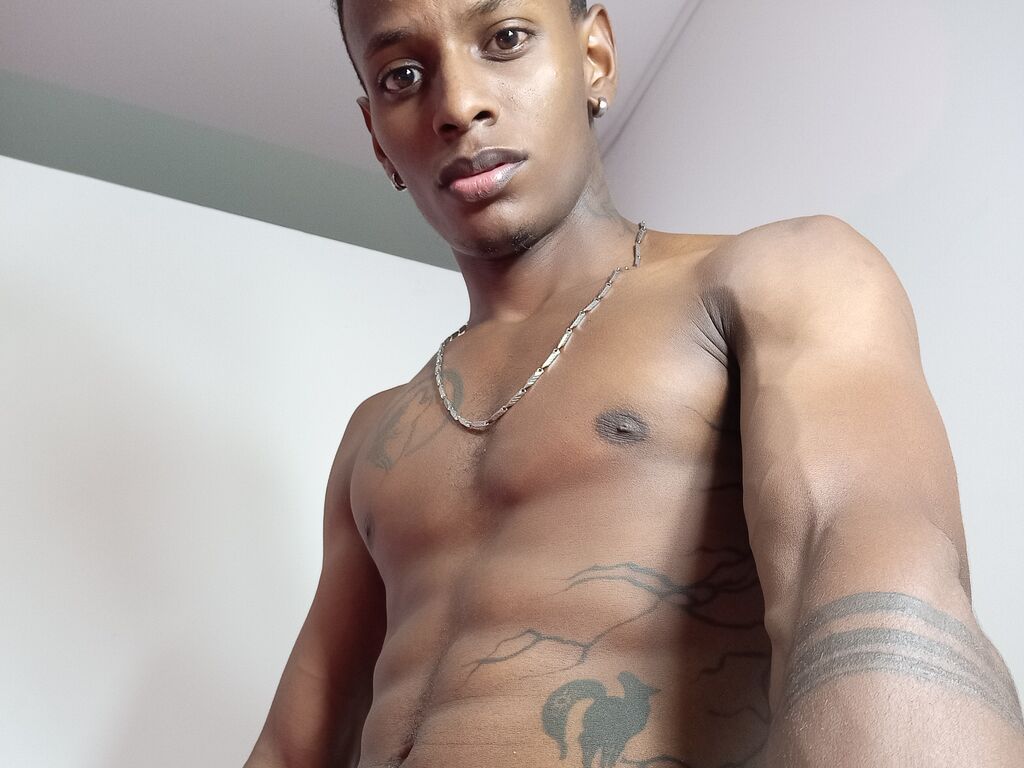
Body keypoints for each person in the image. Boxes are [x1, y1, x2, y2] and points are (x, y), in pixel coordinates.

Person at [244, 1, 1024, 766]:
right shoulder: (375, 434)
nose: (458, 104)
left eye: (505, 38)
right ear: (376, 136)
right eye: (402, 75)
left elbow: (879, 585)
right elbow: (292, 746)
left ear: (595, 57)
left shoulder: (779, 277)